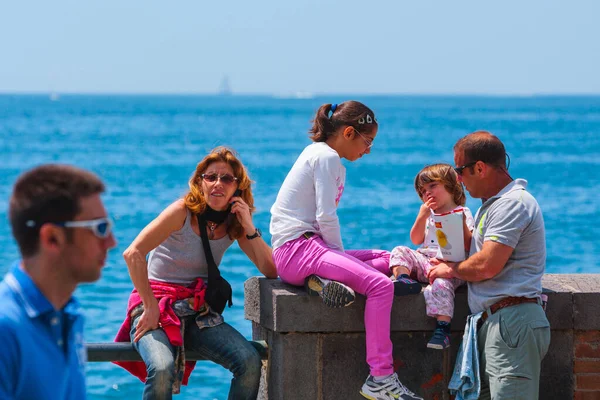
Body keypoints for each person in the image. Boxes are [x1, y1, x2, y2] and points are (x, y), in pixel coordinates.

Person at [270, 101, 423, 400]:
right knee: (380, 287)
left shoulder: (325, 157)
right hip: (297, 249)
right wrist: (339, 258)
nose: (368, 150)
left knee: (384, 257)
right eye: (368, 142)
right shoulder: (326, 157)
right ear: (349, 132)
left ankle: (323, 282)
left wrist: (339, 259)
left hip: (306, 248)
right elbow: (326, 217)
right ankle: (380, 377)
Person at [116, 146, 277, 400]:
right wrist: (150, 306)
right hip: (157, 304)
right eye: (210, 177)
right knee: (161, 368)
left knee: (249, 361)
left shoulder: (233, 224)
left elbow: (270, 269)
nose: (217, 184)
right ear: (199, 182)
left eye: (226, 179)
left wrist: (248, 225)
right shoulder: (181, 212)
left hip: (197, 310)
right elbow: (133, 253)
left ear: (238, 187)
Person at [428, 131, 550, 399]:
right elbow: (480, 253)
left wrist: (450, 270)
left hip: (511, 323)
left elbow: (487, 265)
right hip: (497, 323)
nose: (458, 179)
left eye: (460, 170)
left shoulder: (512, 204)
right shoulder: (490, 207)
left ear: (480, 168)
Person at [0, 164, 117, 400]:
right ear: (52, 238)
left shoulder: (70, 316)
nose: (111, 242)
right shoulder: (5, 331)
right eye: (100, 228)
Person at [389, 164, 474, 350]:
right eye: (423, 190)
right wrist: (421, 217)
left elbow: (469, 245)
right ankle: (403, 279)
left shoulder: (462, 213)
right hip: (426, 261)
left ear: (450, 186)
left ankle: (442, 328)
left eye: (433, 186)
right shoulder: (429, 215)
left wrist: (460, 226)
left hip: (450, 267)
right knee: (399, 250)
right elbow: (416, 239)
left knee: (442, 284)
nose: (427, 192)